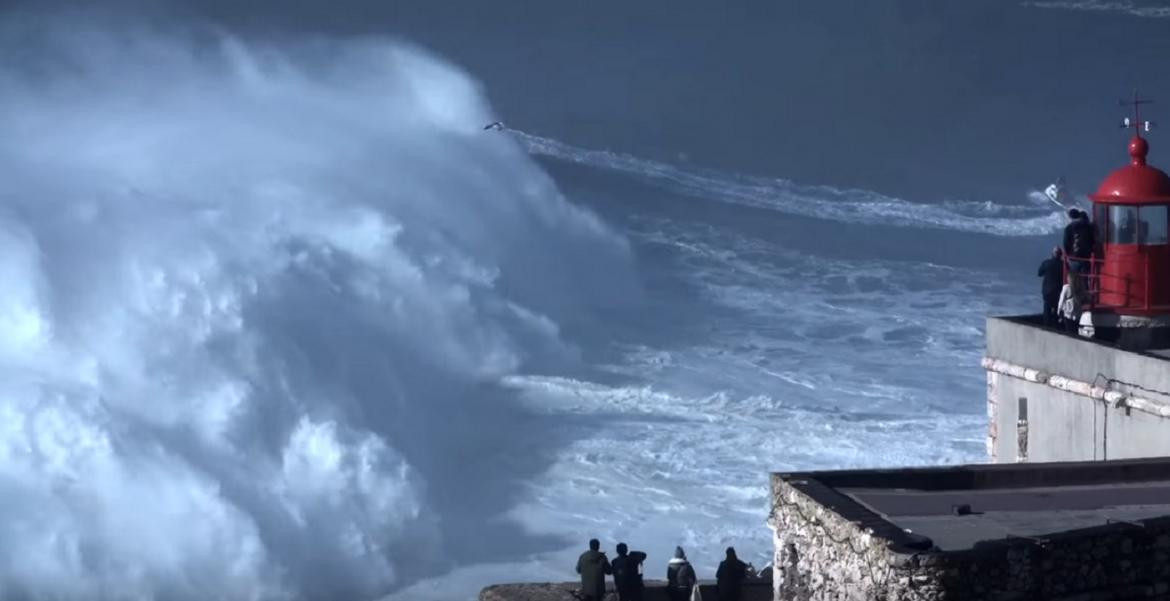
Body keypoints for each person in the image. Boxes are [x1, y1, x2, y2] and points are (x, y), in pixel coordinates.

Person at [1062, 208, 1095, 289]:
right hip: (1086, 257)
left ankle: (1075, 296)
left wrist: (1067, 253)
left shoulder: (1069, 228)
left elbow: (1066, 242)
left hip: (1073, 256)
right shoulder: (1089, 228)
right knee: (1085, 278)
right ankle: (1085, 295)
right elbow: (1093, 241)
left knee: (1074, 278)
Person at [1037, 247, 1064, 326]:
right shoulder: (1063, 264)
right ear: (1060, 255)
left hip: (1047, 291)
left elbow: (1039, 273)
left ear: (1052, 254)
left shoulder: (1046, 263)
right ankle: (1055, 327)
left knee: (1047, 311)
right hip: (1058, 291)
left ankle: (1046, 327)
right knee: (1056, 311)